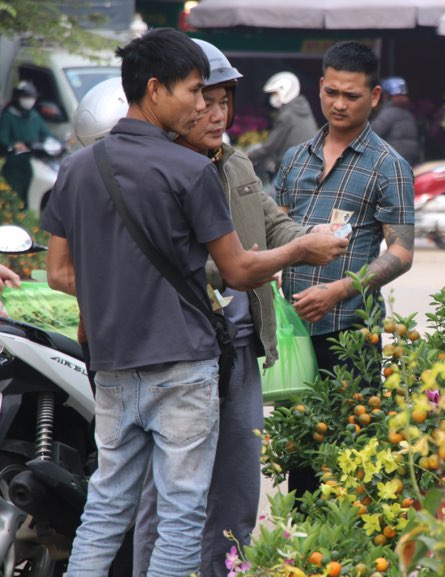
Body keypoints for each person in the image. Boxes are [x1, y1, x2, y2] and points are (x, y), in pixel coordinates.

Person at [40, 28, 347, 577]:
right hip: (182, 360)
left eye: (215, 96)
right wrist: (303, 247)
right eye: (195, 92)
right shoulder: (186, 171)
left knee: (108, 507)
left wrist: (116, 292)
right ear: (155, 90)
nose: (205, 105)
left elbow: (60, 272)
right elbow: (236, 269)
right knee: (180, 513)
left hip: (113, 363)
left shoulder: (77, 169)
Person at [130, 39, 341, 577]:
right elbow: (194, 264)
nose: (217, 114)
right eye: (206, 100)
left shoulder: (236, 161)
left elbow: (268, 222)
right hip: (182, 351)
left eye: (225, 101)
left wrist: (309, 238)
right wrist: (290, 252)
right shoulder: (163, 170)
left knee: (239, 488)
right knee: (172, 494)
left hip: (241, 347)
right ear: (177, 99)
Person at [275, 41, 415, 496]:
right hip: (290, 334)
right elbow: (273, 232)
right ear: (319, 87)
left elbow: (402, 252)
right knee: (300, 456)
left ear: (374, 97)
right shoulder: (295, 160)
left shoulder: (389, 166)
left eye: (352, 95)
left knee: (348, 456)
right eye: (332, 92)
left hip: (349, 335)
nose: (339, 103)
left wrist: (340, 290)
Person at [247, 71, 318, 181]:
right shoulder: (303, 109)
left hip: (291, 169)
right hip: (307, 166)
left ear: (284, 91)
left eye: (274, 94)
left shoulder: (287, 115)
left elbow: (269, 147)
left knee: (269, 196)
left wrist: (248, 155)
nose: (272, 98)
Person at [0, 80, 52, 208]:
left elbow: (47, 134)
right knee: (14, 199)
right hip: (14, 164)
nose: (30, 100)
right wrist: (14, 145)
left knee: (30, 198)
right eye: (26, 97)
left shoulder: (34, 116)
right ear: (18, 97)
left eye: (32, 97)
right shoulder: (9, 115)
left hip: (33, 162)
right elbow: (3, 138)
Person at [370, 76, 419, 165]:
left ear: (386, 96)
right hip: (408, 160)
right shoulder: (408, 114)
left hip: (393, 160)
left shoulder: (389, 113)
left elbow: (371, 133)